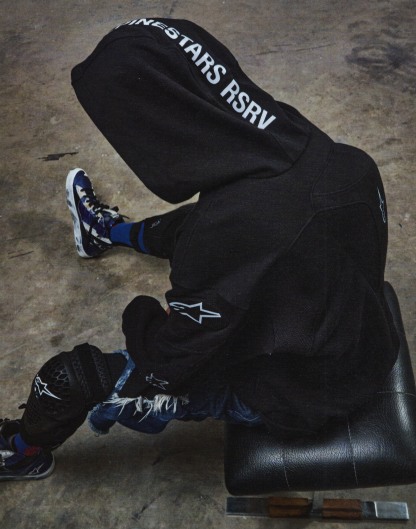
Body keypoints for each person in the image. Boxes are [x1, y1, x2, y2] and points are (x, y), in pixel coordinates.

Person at [0, 18, 399, 481]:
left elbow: (170, 361)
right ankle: (106, 232)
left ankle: (21, 453)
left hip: (304, 394)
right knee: (195, 227)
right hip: (351, 337)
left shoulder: (229, 232)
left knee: (69, 378)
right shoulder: (328, 155)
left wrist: (142, 318)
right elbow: (223, 232)